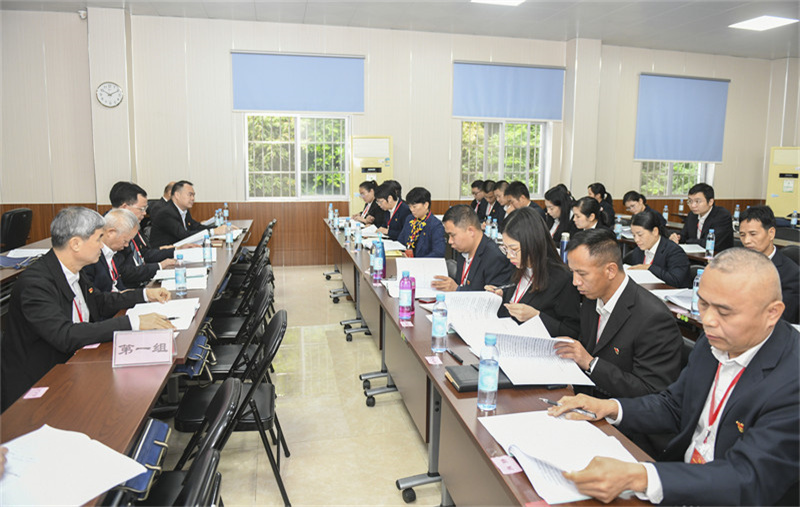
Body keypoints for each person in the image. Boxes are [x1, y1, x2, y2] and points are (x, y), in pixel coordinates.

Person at [549, 248, 799, 506]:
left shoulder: (792, 379)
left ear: (772, 313)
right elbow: (674, 405)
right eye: (703, 303)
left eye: (724, 312)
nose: (708, 320)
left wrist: (641, 477)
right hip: (682, 481)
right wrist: (611, 407)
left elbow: (749, 477)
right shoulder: (715, 341)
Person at [1, 207, 174, 411]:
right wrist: (132, 322)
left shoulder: (73, 270)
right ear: (75, 243)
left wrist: (144, 295)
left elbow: (98, 302)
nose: (102, 245)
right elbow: (64, 335)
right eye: (99, 238)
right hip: (40, 383)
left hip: (76, 361)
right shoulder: (36, 284)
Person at [554, 228, 682, 399]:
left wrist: (591, 364)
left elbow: (651, 393)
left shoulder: (654, 318)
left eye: (582, 274)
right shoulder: (592, 298)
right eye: (573, 272)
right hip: (585, 399)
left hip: (620, 410)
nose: (575, 281)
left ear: (611, 271)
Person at [486, 207, 581, 338]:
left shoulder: (562, 279)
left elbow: (572, 331)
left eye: (513, 249)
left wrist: (536, 316)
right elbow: (519, 298)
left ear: (532, 244)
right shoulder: (519, 266)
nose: (508, 255)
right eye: (505, 248)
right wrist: (501, 296)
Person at [431, 205, 513, 292]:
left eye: (453, 235)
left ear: (471, 231)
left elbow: (492, 297)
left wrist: (457, 289)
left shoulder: (495, 258)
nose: (450, 241)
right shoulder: (462, 250)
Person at [110, 182, 177, 288]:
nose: (145, 213)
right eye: (141, 209)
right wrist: (159, 266)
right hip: (133, 288)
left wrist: (176, 250)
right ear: (125, 208)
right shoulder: (111, 230)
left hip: (145, 281)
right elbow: (124, 272)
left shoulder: (133, 224)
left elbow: (145, 254)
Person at [739, 205, 799, 323]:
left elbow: (782, 318)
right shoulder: (737, 263)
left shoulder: (791, 274)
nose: (746, 241)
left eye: (753, 234)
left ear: (771, 233)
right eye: (742, 235)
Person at [148, 180, 228, 248]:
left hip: (180, 249)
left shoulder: (183, 209)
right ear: (177, 195)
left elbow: (195, 226)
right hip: (165, 255)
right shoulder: (166, 212)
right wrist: (213, 232)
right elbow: (183, 235)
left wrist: (219, 228)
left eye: (193, 195)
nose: (193, 198)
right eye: (190, 195)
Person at [624, 210, 692, 289]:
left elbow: (676, 280)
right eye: (634, 235)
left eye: (640, 235)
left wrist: (649, 268)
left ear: (655, 231)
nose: (636, 240)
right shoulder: (638, 251)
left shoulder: (674, 251)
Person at [81, 209, 139, 293]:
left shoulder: (112, 252)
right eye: (125, 241)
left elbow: (118, 286)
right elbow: (94, 296)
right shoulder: (90, 258)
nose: (127, 245)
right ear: (111, 232)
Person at [669, 183, 734, 252]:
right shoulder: (692, 215)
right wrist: (677, 237)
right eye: (690, 201)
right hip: (695, 255)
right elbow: (684, 235)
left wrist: (687, 241)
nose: (693, 205)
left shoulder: (722, 216)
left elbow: (709, 243)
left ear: (710, 202)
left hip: (718, 256)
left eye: (697, 201)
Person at [397, 187, 446, 258]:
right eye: (410, 206)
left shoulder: (435, 225)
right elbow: (400, 241)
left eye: (414, 207)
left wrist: (417, 261)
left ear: (426, 205)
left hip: (424, 262)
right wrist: (401, 252)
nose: (411, 210)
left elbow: (438, 253)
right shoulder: (409, 219)